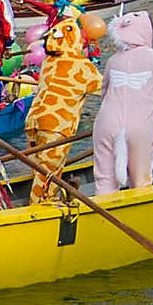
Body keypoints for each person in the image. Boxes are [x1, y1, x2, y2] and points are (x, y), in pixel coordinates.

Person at [93, 12, 153, 195]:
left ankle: (103, 211)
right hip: (141, 126)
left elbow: (104, 92)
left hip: (106, 123)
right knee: (140, 181)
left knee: (105, 180)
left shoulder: (113, 60)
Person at [25, 12, 102, 202]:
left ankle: (47, 198)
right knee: (48, 174)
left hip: (33, 120)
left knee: (38, 169)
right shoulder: (83, 66)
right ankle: (38, 209)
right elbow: (104, 88)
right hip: (56, 125)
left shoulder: (48, 62)